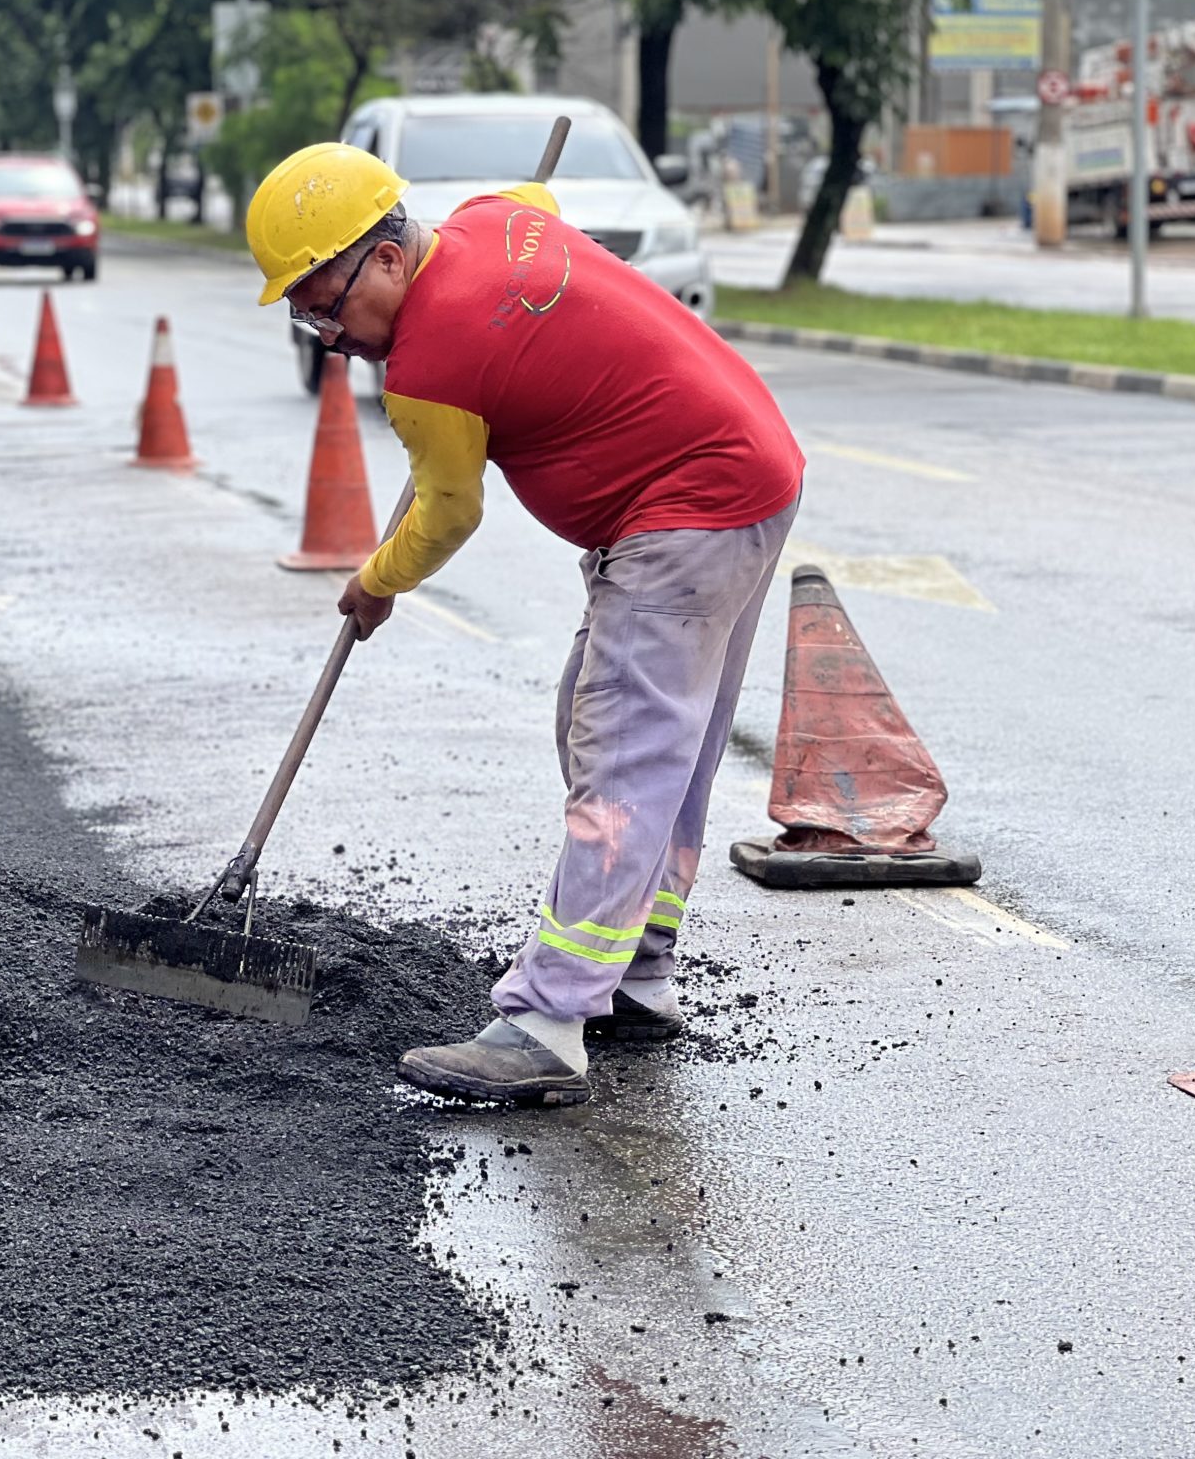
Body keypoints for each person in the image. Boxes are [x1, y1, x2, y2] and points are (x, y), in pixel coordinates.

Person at [246, 142, 805, 1107]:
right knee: (647, 743)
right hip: (747, 472)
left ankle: (548, 1022)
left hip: (687, 508)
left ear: (385, 259)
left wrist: (376, 582)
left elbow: (449, 512)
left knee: (625, 756)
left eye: (325, 306)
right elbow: (531, 195)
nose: (328, 336)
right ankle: (635, 970)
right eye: (303, 316)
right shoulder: (490, 215)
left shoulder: (428, 364)